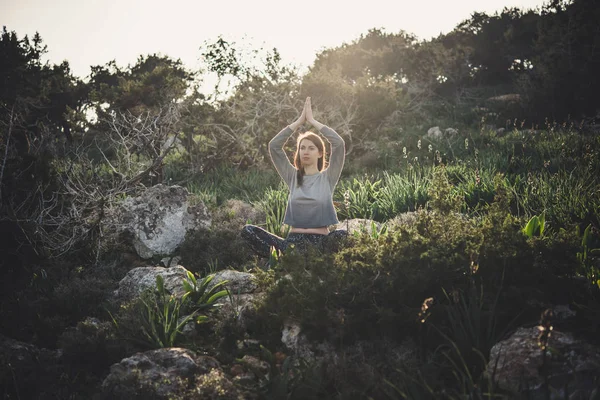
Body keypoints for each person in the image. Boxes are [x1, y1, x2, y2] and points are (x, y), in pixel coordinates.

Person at [241, 97, 347, 259]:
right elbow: (274, 146)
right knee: (248, 231)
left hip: (320, 242)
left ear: (319, 153)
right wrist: (298, 122)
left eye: (311, 148)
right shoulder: (292, 176)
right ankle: (287, 259)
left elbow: (338, 144)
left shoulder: (327, 178)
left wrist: (312, 121)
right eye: (302, 147)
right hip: (291, 243)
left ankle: (300, 261)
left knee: (342, 236)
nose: (305, 151)